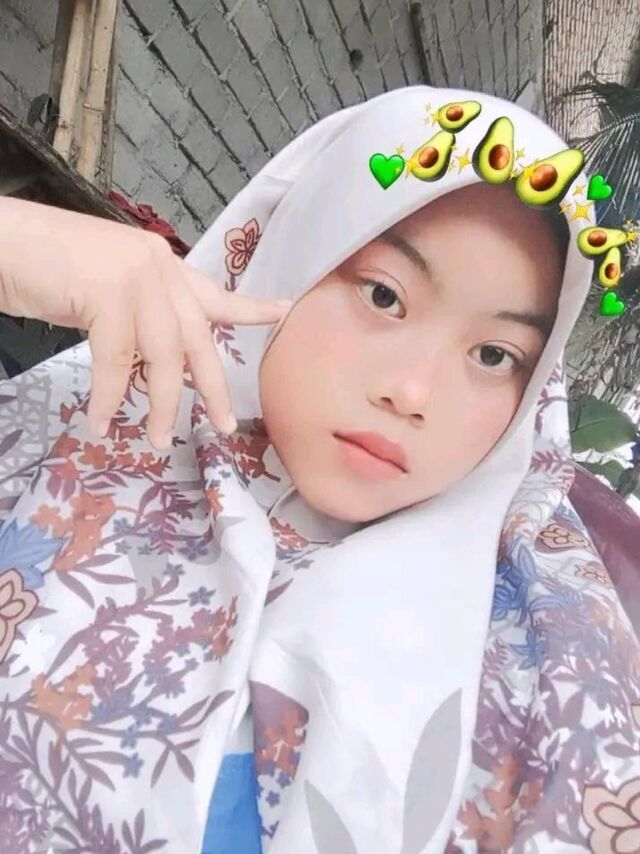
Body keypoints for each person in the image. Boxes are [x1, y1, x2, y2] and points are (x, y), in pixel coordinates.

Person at [0, 85, 638, 854]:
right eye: (384, 296)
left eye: (496, 356)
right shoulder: (86, 432)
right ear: (291, 252)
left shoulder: (550, 650)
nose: (412, 393)